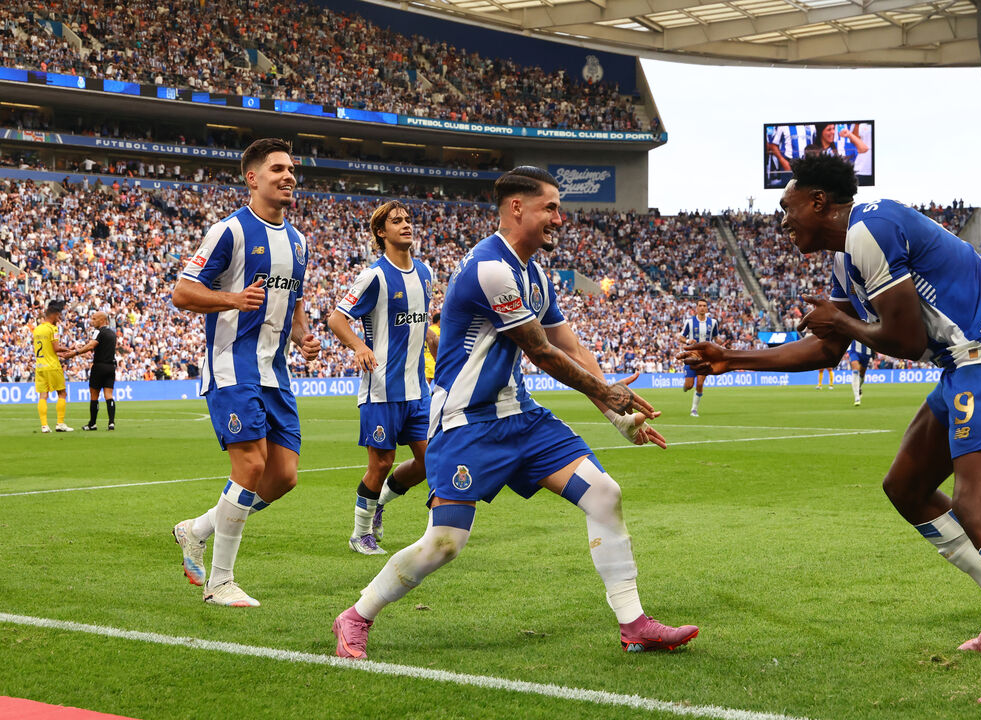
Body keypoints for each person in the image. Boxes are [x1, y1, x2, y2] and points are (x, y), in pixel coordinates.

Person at [681, 154, 981, 708]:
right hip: (962, 361)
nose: (782, 222)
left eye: (787, 208)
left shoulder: (869, 227)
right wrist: (733, 358)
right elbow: (829, 348)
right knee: (905, 486)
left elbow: (899, 340)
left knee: (979, 506)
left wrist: (843, 321)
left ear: (818, 202)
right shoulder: (846, 259)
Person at [332, 166, 696, 660]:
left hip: (519, 416)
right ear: (516, 208)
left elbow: (571, 346)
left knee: (605, 494)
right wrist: (607, 397)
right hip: (466, 422)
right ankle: (355, 616)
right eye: (551, 208)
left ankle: (634, 625)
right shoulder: (490, 268)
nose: (560, 219)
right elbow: (543, 353)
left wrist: (616, 413)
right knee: (444, 544)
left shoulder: (534, 273)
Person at [170, 138, 321, 608]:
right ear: (253, 178)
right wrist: (232, 299)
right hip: (231, 365)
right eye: (278, 168)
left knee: (283, 477)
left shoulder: (298, 242)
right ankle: (220, 583)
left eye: (292, 168)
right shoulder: (228, 231)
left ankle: (195, 530)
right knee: (251, 465)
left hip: (276, 372)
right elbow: (182, 292)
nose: (289, 175)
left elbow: (294, 299)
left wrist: (303, 335)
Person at [327, 200, 434, 555]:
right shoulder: (373, 276)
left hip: (418, 389)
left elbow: (424, 327)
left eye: (408, 219)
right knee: (382, 462)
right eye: (396, 221)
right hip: (382, 387)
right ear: (380, 232)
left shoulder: (425, 273)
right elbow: (337, 318)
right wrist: (358, 345)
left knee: (431, 460)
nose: (405, 224)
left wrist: (438, 349)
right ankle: (360, 535)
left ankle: (381, 503)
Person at [62, 310, 119, 430]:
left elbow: (91, 345)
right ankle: (111, 423)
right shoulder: (113, 333)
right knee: (109, 395)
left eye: (94, 319)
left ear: (102, 320)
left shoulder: (98, 332)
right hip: (111, 367)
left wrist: (75, 353)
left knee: (94, 395)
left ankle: (92, 423)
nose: (91, 321)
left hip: (99, 367)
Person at [33, 300, 74, 432]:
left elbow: (46, 349)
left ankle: (44, 426)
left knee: (43, 396)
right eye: (59, 316)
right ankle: (60, 423)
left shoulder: (37, 329)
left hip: (40, 367)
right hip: (52, 366)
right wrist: (69, 349)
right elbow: (56, 348)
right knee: (62, 393)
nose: (59, 319)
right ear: (55, 315)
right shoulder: (52, 328)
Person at [680, 299, 717, 417]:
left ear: (707, 308)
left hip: (706, 358)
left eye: (704, 306)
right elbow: (681, 337)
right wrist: (687, 341)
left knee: (700, 383)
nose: (702, 308)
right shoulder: (689, 322)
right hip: (692, 356)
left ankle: (694, 410)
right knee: (689, 385)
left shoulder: (713, 322)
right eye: (700, 306)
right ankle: (685, 387)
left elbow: (716, 338)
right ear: (696, 308)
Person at [848, 340, 874, 406]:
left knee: (862, 374)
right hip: (854, 348)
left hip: (867, 350)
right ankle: (857, 398)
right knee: (855, 370)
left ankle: (858, 386)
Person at [423, 311, 441, 385]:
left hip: (425, 360)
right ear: (439, 321)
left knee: (426, 386)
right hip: (435, 360)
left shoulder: (427, 330)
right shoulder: (439, 331)